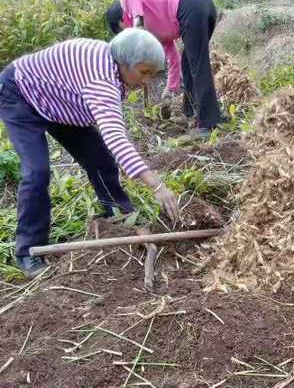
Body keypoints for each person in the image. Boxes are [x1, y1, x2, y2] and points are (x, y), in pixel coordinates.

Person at [0, 29, 179, 279]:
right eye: (144, 72)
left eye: (152, 73)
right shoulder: (101, 80)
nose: (147, 80)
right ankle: (28, 251)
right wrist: (156, 185)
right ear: (124, 62)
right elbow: (115, 136)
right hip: (20, 93)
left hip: (59, 101)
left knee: (100, 160)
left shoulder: (114, 61)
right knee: (37, 172)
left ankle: (118, 214)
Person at [107, 0, 226, 137]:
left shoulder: (129, 5)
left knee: (198, 65)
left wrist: (137, 21)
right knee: (188, 64)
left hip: (191, 5)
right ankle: (192, 114)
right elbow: (172, 56)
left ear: (122, 20)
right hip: (197, 10)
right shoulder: (154, 30)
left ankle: (208, 123)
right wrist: (170, 88)